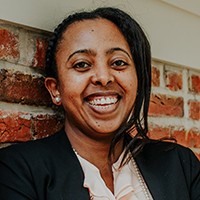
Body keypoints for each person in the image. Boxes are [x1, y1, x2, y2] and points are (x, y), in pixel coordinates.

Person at [0, 7, 199, 200]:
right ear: (55, 89)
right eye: (82, 64)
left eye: (118, 62)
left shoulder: (180, 165)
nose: (103, 77)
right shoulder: (18, 172)